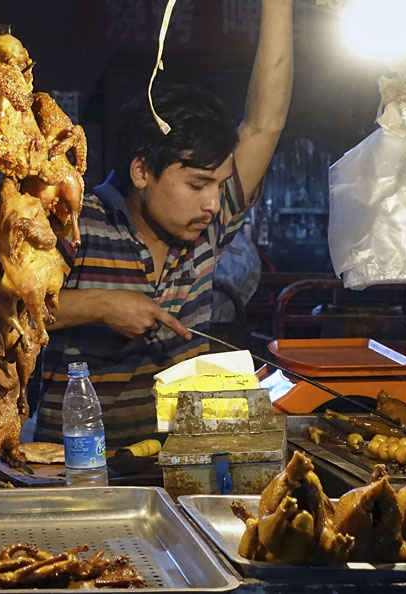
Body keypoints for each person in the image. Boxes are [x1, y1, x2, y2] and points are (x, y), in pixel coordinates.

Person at [34, 0, 294, 448]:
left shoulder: (206, 229)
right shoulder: (75, 224)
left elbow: (264, 124)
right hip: (76, 470)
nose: (213, 203)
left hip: (181, 468)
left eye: (219, 185)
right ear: (142, 172)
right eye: (197, 185)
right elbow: (5, 312)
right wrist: (100, 305)